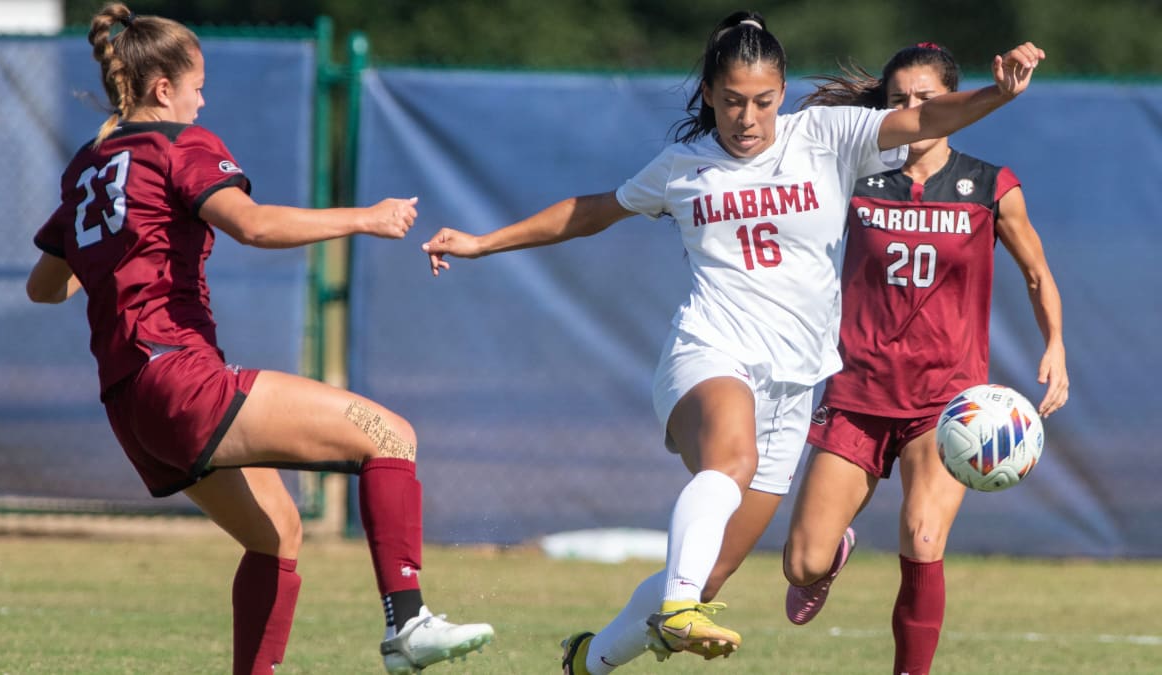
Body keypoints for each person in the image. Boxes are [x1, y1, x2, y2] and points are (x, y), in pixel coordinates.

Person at [420, 10, 1044, 673]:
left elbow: (925, 121)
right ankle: (682, 606)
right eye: (731, 102)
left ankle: (590, 661)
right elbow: (591, 210)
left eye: (763, 101)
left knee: (710, 570)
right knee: (730, 461)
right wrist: (484, 241)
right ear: (710, 97)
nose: (747, 118)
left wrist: (996, 94)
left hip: (794, 383)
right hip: (709, 351)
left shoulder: (826, 135)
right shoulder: (684, 166)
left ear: (781, 95)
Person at [25, 5, 493, 674]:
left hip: (129, 406)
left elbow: (43, 286)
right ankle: (409, 622)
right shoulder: (178, 144)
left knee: (277, 532)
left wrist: (113, 262)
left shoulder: (88, 166)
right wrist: (368, 217)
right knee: (391, 436)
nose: (202, 98)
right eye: (197, 84)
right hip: (178, 378)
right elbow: (255, 225)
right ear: (164, 88)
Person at [777, 42, 1068, 675]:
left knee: (924, 537)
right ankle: (832, 555)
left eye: (926, 99)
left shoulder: (991, 185)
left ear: (953, 102)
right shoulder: (853, 176)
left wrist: (1056, 347)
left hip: (945, 404)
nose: (912, 109)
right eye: (899, 100)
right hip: (856, 394)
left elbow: (1038, 273)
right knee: (801, 563)